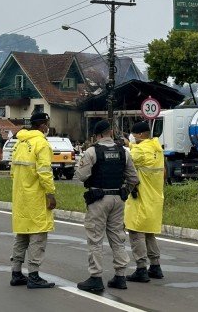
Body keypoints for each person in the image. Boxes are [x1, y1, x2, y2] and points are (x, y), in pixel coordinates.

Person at [74, 120, 139, 293]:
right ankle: (120, 276)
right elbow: (133, 178)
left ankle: (95, 278)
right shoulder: (123, 151)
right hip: (118, 199)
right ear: (110, 132)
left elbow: (81, 175)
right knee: (117, 237)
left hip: (98, 199)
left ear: (98, 135)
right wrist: (126, 191)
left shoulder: (92, 151)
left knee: (95, 238)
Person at [9, 112, 56, 289]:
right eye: (47, 124)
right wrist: (50, 193)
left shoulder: (20, 142)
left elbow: (12, 171)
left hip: (20, 196)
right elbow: (44, 171)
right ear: (43, 125)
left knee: (22, 235)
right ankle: (34, 275)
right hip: (36, 197)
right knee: (38, 235)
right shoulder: (41, 143)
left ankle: (16, 273)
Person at [124, 120, 165, 282]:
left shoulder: (139, 151)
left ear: (140, 135)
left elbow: (128, 160)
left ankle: (141, 268)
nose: (132, 138)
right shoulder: (157, 148)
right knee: (149, 233)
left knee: (135, 233)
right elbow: (142, 153)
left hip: (140, 198)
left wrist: (128, 146)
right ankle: (155, 266)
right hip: (155, 198)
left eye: (133, 135)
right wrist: (132, 145)